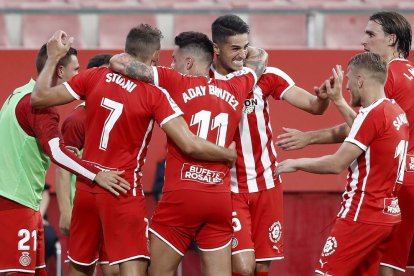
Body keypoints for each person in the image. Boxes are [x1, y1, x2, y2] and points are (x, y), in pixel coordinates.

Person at [30, 26, 237, 276]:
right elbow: (189, 143)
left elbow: (39, 98)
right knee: (133, 269)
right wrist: (226, 154)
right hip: (122, 189)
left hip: (87, 190)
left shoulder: (94, 76)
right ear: (154, 59)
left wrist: (53, 57)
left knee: (81, 267)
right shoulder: (155, 94)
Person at [109, 31, 266, 276]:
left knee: (157, 273)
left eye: (174, 59)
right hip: (219, 199)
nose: (171, 64)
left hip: (182, 195)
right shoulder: (237, 85)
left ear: (189, 62)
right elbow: (260, 59)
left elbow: (119, 62)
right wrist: (238, 53)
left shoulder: (175, 80)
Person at [276, 11, 414, 276]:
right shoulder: (409, 73)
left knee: (380, 270)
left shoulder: (391, 77)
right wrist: (339, 102)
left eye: (371, 34)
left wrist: (308, 139)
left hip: (380, 193)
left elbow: (365, 126)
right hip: (400, 188)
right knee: (388, 265)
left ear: (392, 39)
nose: (363, 40)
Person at [208, 14, 330, 276]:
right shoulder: (203, 81)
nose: (242, 55)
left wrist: (324, 98)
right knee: (242, 266)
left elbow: (313, 107)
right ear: (216, 49)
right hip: (229, 188)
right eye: (235, 49)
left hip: (267, 184)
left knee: (262, 266)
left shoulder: (267, 76)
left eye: (245, 47)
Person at [0, 43, 128, 276]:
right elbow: (57, 153)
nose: (79, 76)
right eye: (76, 70)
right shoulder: (39, 106)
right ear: (60, 71)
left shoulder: (18, 93)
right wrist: (96, 174)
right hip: (14, 203)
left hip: (23, 201)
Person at [55, 53, 120, 276]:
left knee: (115, 270)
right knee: (83, 268)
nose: (111, 79)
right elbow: (63, 167)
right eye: (105, 74)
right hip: (85, 206)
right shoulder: (77, 120)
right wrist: (65, 210)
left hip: (112, 202)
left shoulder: (119, 114)